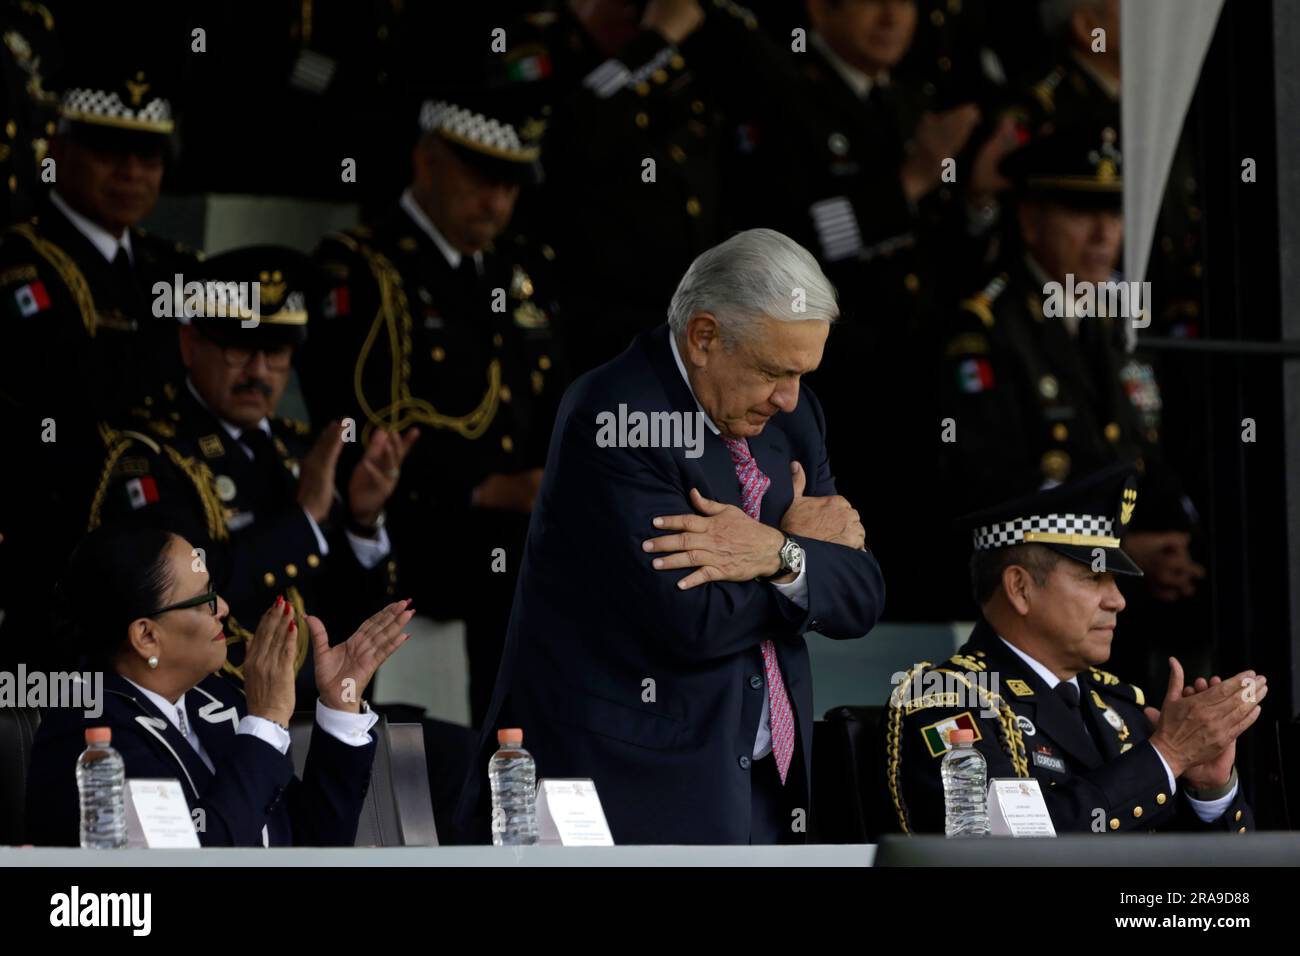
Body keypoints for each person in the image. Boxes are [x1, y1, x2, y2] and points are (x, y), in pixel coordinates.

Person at [462, 229, 886, 845]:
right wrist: (796, 549)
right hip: (631, 794)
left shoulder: (793, 419)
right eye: (774, 371)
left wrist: (772, 551)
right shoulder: (616, 415)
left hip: (767, 788)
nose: (790, 398)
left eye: (802, 373)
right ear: (705, 337)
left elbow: (862, 596)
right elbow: (693, 619)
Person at [302, 78, 562, 728]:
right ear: (426, 161)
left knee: (511, 749)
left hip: (513, 561)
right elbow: (347, 419)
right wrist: (481, 487)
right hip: (402, 542)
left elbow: (547, 401)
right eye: (480, 179)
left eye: (509, 185)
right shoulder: (359, 265)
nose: (496, 201)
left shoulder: (522, 269)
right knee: (381, 766)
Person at [938, 121, 1206, 675]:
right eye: (1083, 213)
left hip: (1139, 599)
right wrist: (1126, 545)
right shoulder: (987, 326)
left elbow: (1153, 451)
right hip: (1041, 604)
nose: (1105, 233)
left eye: (1116, 214)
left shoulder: (1123, 319)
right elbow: (989, 485)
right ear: (1032, 218)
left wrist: (1176, 539)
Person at [87, 246, 415, 695]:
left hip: (317, 707)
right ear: (189, 344)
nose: (259, 372)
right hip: (214, 710)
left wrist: (362, 520)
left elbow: (355, 612)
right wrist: (303, 521)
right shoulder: (147, 455)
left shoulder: (301, 448)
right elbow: (181, 598)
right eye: (240, 349)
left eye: (275, 352)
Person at [886, 464, 1261, 834]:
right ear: (1019, 588)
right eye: (1093, 579)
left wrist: (1209, 790)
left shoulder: (1119, 705)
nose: (1117, 600)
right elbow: (1009, 846)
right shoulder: (945, 700)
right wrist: (1167, 755)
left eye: (1114, 581)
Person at [26, 524, 414, 846]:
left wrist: (338, 705)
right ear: (146, 636)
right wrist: (265, 722)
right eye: (204, 598)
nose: (224, 608)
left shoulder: (214, 699)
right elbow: (195, 862)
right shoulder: (88, 732)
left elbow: (312, 844)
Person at [0, 50, 201, 665]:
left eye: (148, 157)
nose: (131, 172)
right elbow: (63, 389)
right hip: (55, 546)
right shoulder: (17, 259)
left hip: (168, 550)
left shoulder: (176, 266)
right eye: (109, 151)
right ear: (57, 150)